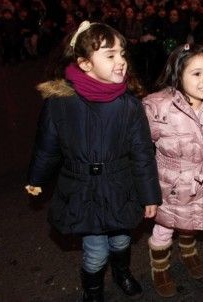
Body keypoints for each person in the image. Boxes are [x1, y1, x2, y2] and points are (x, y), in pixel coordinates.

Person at [25, 21, 162, 302]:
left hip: (119, 186)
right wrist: (37, 179)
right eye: (110, 55)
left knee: (122, 239)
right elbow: (47, 148)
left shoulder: (130, 105)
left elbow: (142, 153)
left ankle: (122, 272)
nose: (121, 61)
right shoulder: (60, 102)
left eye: (122, 53)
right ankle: (93, 289)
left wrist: (150, 195)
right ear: (85, 64)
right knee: (96, 251)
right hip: (82, 189)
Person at [142, 43, 203, 298]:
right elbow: (139, 147)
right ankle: (159, 267)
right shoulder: (158, 107)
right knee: (164, 229)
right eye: (197, 73)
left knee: (192, 222)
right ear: (178, 74)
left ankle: (189, 251)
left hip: (202, 180)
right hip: (169, 184)